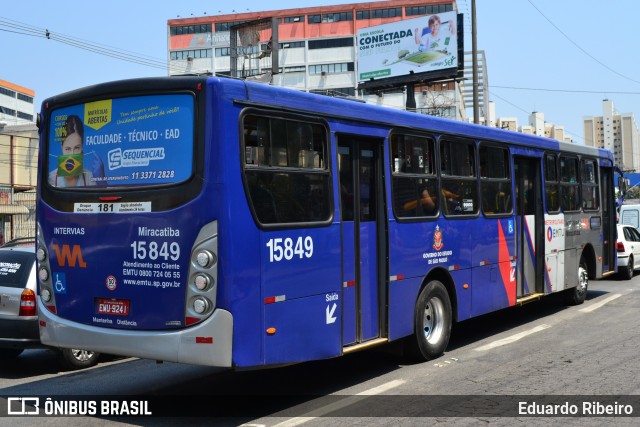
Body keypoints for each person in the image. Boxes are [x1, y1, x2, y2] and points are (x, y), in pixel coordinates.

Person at [48, 115, 99, 187]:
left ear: (82, 147)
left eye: (77, 148)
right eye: (67, 149)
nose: (72, 155)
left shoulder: (90, 178)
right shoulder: (50, 179)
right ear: (61, 147)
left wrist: (102, 182)